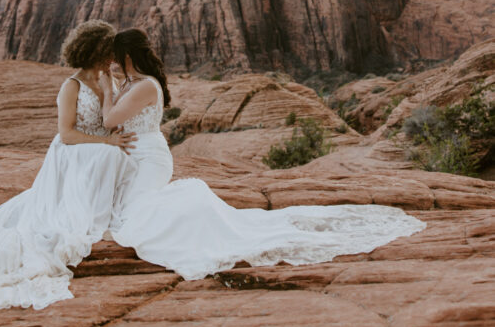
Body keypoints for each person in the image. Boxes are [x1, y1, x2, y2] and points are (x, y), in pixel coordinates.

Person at [103, 28, 426, 279]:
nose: (112, 61)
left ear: (127, 54)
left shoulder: (145, 85)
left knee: (138, 215)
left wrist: (105, 87)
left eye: (115, 54)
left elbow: (109, 118)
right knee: (134, 210)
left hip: (149, 157)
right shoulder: (131, 83)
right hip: (135, 155)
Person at [0, 20, 136, 311]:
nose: (114, 56)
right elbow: (67, 134)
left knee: (123, 157)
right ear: (95, 49)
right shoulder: (72, 86)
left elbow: (112, 119)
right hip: (74, 152)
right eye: (108, 49)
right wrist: (105, 144)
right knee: (110, 157)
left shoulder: (111, 79)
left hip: (99, 150)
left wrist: (113, 127)